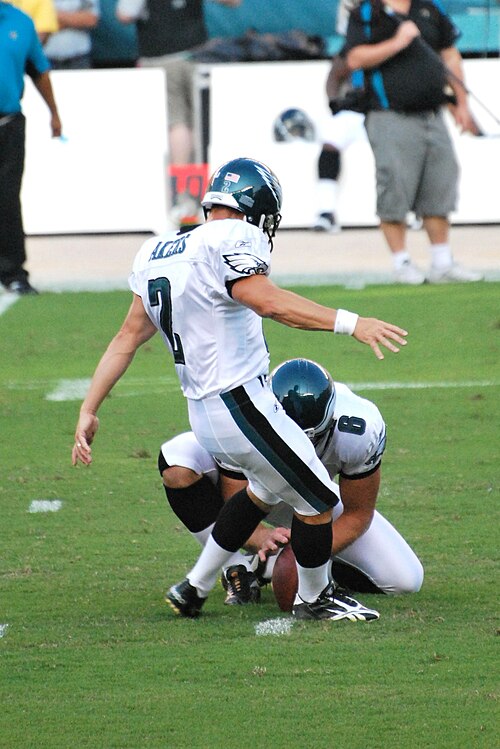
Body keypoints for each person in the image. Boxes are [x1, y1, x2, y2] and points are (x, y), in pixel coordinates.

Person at [72, 156, 408, 623]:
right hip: (241, 402)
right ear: (256, 212)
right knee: (316, 501)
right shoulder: (235, 237)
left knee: (261, 491)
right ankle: (317, 600)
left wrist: (90, 407)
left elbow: (127, 337)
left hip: (201, 409)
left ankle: (194, 586)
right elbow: (268, 302)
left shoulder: (157, 250)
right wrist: (351, 323)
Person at [158, 359, 423, 607]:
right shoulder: (247, 414)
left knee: (405, 579)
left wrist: (306, 557)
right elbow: (235, 493)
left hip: (315, 496)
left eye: (312, 440)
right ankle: (235, 567)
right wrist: (258, 537)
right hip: (256, 484)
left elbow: (357, 514)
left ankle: (269, 566)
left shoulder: (358, 430)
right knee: (178, 459)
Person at [344, 0, 484, 285]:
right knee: (395, 184)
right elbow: (355, 58)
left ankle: (442, 261)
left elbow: (449, 54)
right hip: (390, 115)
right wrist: (398, 42)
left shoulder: (430, 9)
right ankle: (401, 262)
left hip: (433, 113)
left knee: (440, 183)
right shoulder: (368, 13)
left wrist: (461, 102)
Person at [115, 0, 241, 167]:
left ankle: (182, 185)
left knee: (177, 123)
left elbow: (125, 14)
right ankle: (203, 179)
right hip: (196, 55)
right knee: (201, 120)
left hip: (161, 59)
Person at [0, 0, 62, 295]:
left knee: (8, 199)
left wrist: (54, 113)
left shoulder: (20, 22)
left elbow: (39, 69)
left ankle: (13, 272)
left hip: (8, 123)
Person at [314, 51, 367, 234]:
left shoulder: (397, 40)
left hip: (385, 111)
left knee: (404, 144)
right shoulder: (350, 48)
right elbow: (333, 77)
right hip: (352, 111)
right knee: (330, 140)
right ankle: (326, 212)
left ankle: (413, 211)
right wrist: (334, 102)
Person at [43, 0, 100, 70]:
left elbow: (91, 19)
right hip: (44, 58)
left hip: (78, 58)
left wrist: (53, 16)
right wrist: (73, 18)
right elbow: (31, 21)